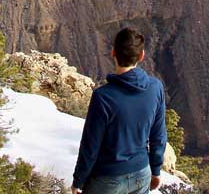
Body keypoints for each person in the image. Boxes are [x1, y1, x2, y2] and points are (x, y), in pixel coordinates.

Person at [71, 27, 167, 194]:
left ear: (113, 53)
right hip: (141, 174)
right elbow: (158, 136)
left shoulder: (103, 97)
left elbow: (90, 146)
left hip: (107, 180)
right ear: (141, 55)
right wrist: (156, 170)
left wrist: (79, 181)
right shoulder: (156, 88)